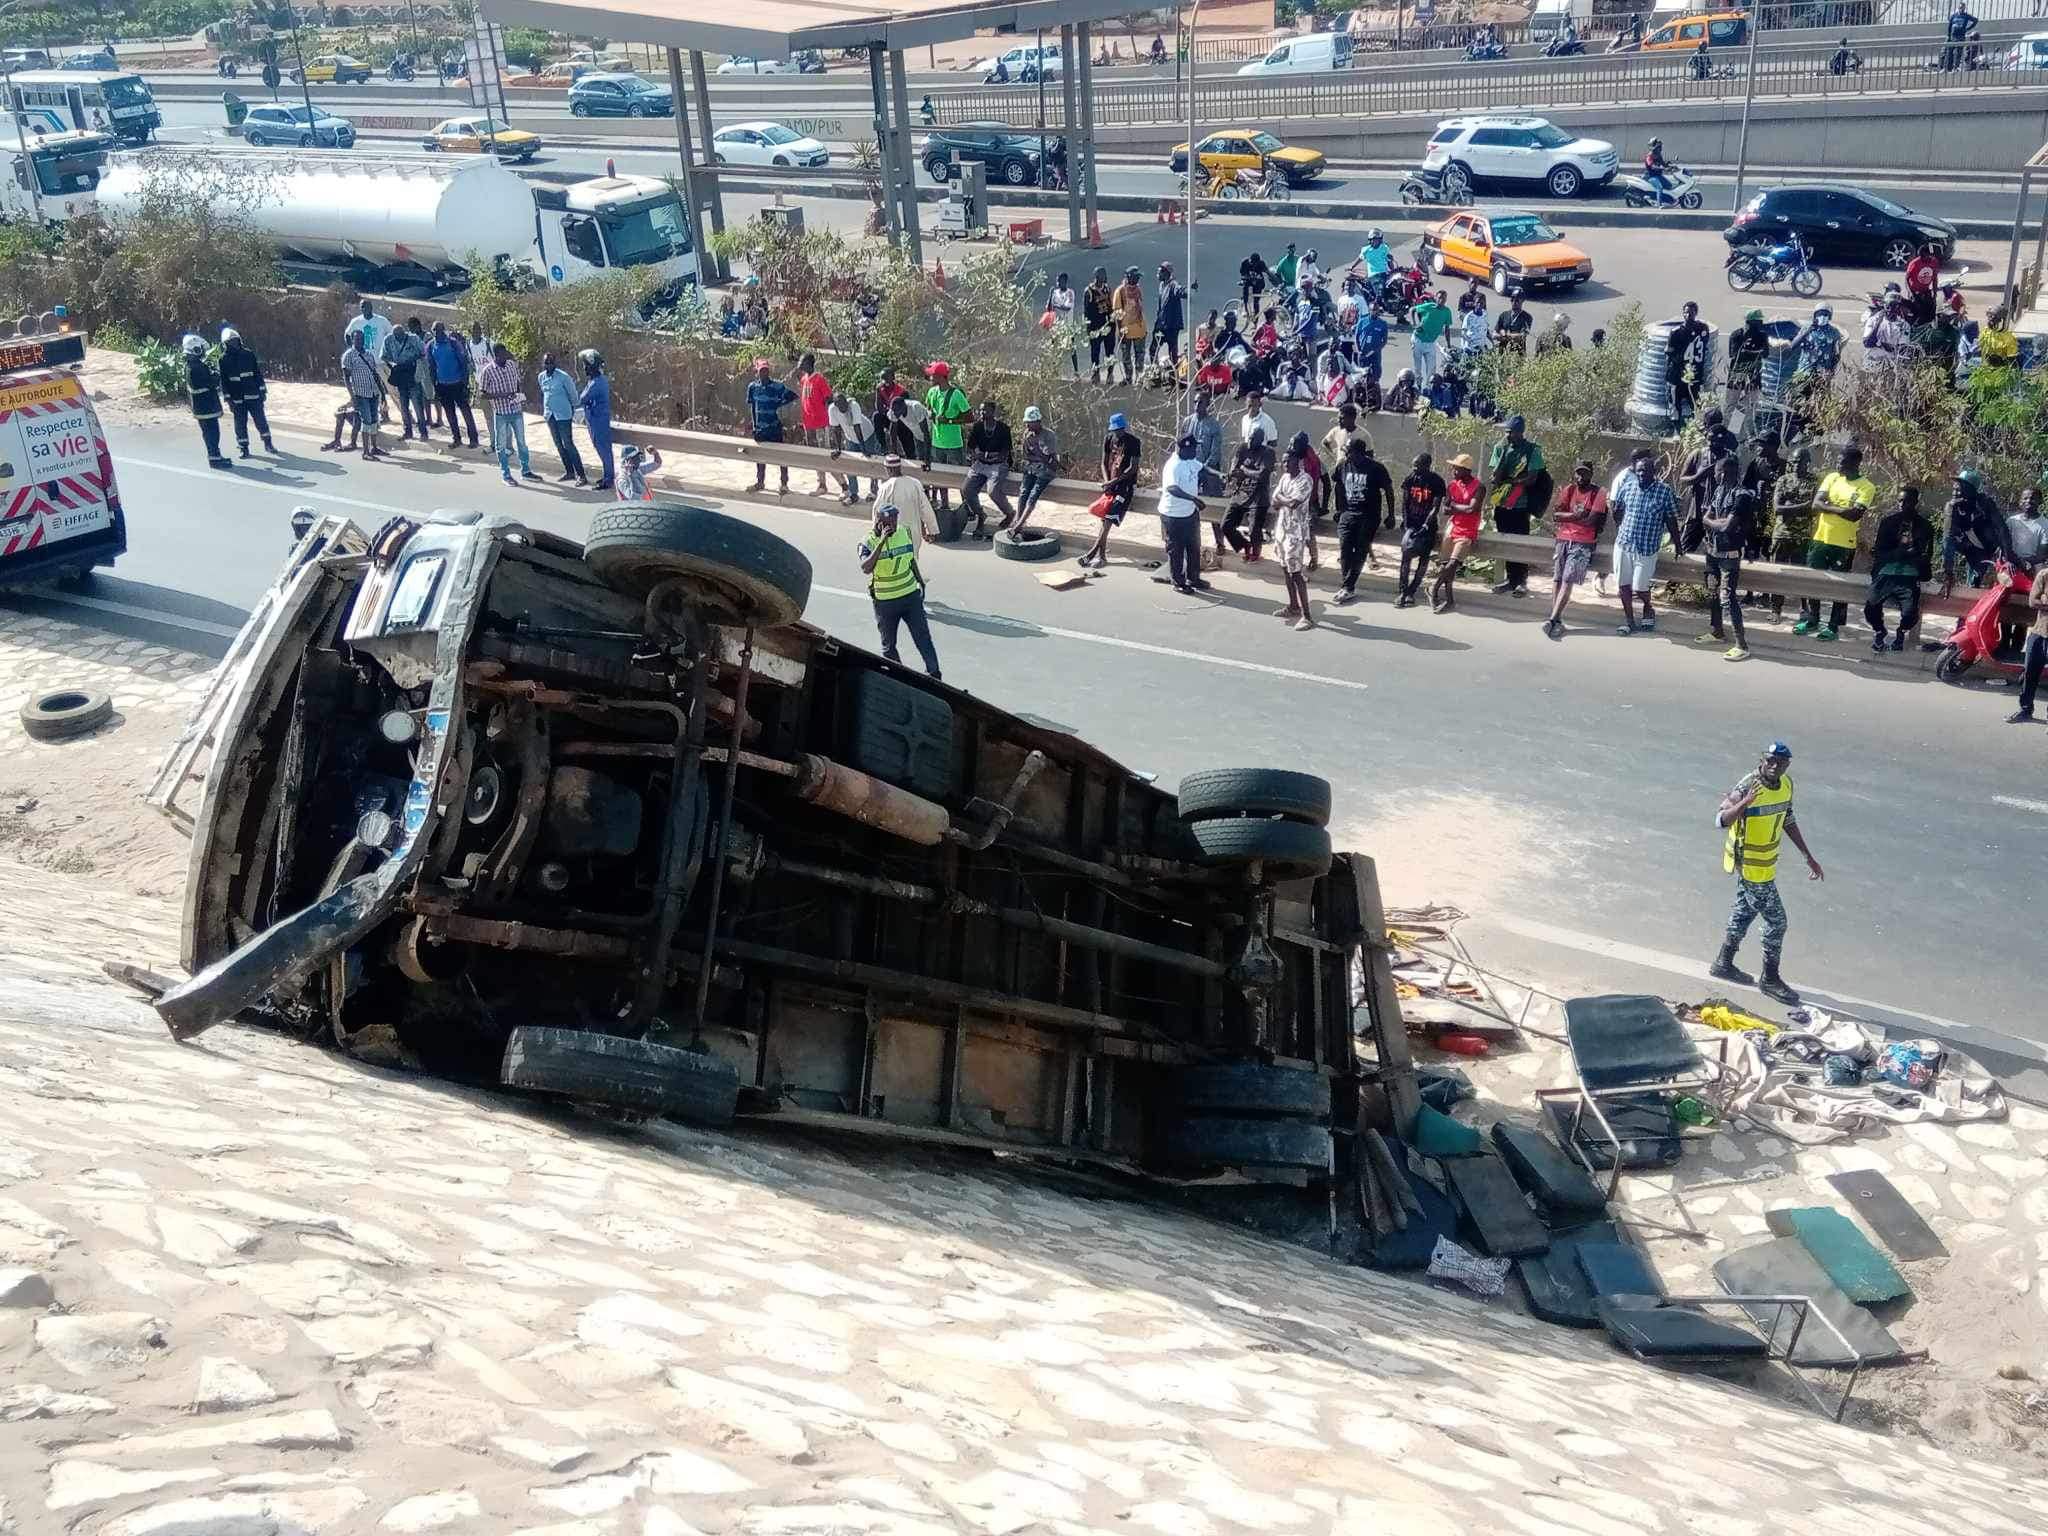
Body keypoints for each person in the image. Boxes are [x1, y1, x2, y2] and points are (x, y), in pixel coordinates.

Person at [1711, 742, 1823, 1006]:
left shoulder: (1786, 785)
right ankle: (1770, 979)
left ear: (1787, 765)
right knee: (1777, 922)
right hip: (1751, 868)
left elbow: (1787, 819)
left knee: (1744, 912)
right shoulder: (1747, 786)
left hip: (1766, 865)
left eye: (1780, 763)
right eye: (1769, 760)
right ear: (1762, 760)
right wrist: (1745, 803)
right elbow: (1720, 820)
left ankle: (1723, 963)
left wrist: (1808, 856)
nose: (1774, 766)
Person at [1795, 444, 1875, 640]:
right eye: (1837, 461)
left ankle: (1833, 626)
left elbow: (1854, 515)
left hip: (1844, 544)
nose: (1838, 465)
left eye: (1842, 462)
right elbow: (1816, 504)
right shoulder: (1832, 478)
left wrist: (1828, 506)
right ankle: (1812, 619)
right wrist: (1841, 509)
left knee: (1840, 586)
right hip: (1821, 539)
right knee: (1813, 581)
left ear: (1855, 463)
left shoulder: (1866, 487)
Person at [860, 502, 941, 680]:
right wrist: (882, 541)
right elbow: (866, 567)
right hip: (885, 603)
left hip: (910, 597)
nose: (894, 526)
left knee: (923, 638)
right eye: (889, 523)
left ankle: (935, 675)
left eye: (895, 521)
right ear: (879, 522)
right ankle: (901, 678)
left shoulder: (904, 532)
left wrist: (920, 581)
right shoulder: (868, 542)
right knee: (888, 647)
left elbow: (910, 560)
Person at [1611, 452, 1681, 635]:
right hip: (1624, 544)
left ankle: (1648, 608)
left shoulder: (1664, 491)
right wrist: (1618, 519)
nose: (1641, 474)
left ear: (1653, 472)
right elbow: (1618, 512)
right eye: (1639, 471)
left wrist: (1678, 544)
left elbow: (1671, 519)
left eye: (1645, 471)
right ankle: (1629, 621)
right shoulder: (1628, 486)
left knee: (1639, 587)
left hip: (1647, 548)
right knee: (1623, 585)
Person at [1696, 455, 1757, 661]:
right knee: (1713, 591)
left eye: (1716, 473)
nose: (1714, 476)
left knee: (1727, 598)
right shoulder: (1719, 491)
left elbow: (1727, 526)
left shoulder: (1742, 495)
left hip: (1729, 554)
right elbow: (1706, 518)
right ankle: (1717, 632)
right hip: (1712, 551)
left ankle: (1741, 645)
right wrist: (1717, 522)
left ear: (1723, 473)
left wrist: (1713, 522)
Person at [1864, 486, 1935, 654]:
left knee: (1910, 613)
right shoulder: (1888, 522)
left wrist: (1912, 556)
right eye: (1900, 501)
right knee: (1871, 606)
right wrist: (1898, 553)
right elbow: (1879, 551)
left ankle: (1901, 632)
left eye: (1907, 501)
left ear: (1915, 502)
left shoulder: (1925, 526)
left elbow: (1926, 554)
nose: (1902, 505)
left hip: (1909, 576)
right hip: (1886, 573)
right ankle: (1880, 631)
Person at [1483, 414, 1546, 597]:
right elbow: (1496, 478)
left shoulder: (1532, 450)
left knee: (1520, 542)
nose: (1507, 435)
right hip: (1502, 502)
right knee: (1505, 542)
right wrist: (1503, 454)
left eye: (1510, 432)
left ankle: (1521, 581)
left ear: (1520, 432)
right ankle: (1511, 580)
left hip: (1521, 503)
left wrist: (1511, 481)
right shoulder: (1500, 447)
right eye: (1506, 431)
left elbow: (1532, 478)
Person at [1543, 460, 1607, 639]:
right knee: (1557, 579)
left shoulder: (1599, 493)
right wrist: (1577, 515)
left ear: (1591, 474)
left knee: (1567, 579)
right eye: (1578, 473)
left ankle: (1552, 618)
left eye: (1584, 473)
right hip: (1563, 539)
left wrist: (1568, 517)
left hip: (1583, 542)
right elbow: (1556, 515)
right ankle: (1556, 619)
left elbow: (1592, 521)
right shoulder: (1569, 490)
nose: (1580, 477)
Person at [1332, 438, 1393, 607]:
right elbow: (1338, 486)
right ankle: (1347, 586)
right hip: (1347, 514)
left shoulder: (1376, 468)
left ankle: (1348, 587)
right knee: (1345, 549)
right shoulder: (1343, 465)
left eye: (1348, 451)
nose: (1346, 454)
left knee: (1360, 551)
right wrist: (1339, 509)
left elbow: (1388, 490)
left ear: (1358, 452)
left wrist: (1391, 515)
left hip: (1368, 516)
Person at [1081, 412, 1141, 569]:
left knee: (1109, 519)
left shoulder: (1134, 442)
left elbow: (1133, 468)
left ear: (1124, 428)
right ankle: (1101, 557)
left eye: (1119, 430)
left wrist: (1114, 481)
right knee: (1104, 519)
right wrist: (1107, 480)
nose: (1117, 433)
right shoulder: (1108, 439)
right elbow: (1103, 462)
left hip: (1125, 485)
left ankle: (1093, 552)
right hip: (1110, 484)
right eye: (1115, 430)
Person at [1765, 446, 1817, 620]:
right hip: (1782, 534)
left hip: (1802, 536)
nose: (1795, 465)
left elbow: (1814, 509)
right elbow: (1777, 509)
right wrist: (1802, 506)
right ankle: (1775, 610)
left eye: (1799, 462)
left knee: (1801, 574)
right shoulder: (1783, 480)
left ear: (1807, 462)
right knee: (1777, 574)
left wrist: (1789, 505)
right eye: (1792, 462)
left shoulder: (1814, 481)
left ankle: (1803, 609)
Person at [1271, 446, 1319, 631]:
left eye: (1288, 461)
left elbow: (1293, 503)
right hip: (1282, 530)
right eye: (1283, 461)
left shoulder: (1305, 480)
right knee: (1286, 570)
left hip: (1295, 533)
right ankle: (1293, 606)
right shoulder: (1284, 478)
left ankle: (1307, 616)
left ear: (1297, 461)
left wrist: (1281, 498)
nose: (1285, 464)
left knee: (1296, 573)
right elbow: (1274, 502)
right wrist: (1283, 499)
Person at [1429, 453, 1485, 614]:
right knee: (1446, 565)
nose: (1453, 471)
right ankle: (1450, 600)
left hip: (1467, 531)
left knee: (1453, 564)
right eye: (1453, 468)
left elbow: (1472, 509)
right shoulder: (1452, 485)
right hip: (1452, 528)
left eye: (1457, 468)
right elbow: (1446, 509)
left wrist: (1454, 505)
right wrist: (1459, 507)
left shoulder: (1479, 487)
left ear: (1467, 470)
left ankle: (1433, 588)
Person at [479, 344, 539, 485]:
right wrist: (502, 395)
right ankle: (506, 475)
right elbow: (482, 394)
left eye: (505, 353)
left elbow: (517, 382)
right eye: (502, 354)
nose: (505, 356)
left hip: (516, 410)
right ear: (496, 355)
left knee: (521, 443)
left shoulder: (511, 365)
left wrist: (518, 395)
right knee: (501, 446)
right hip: (501, 413)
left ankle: (526, 471)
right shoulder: (488, 371)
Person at [1157, 433, 1208, 595]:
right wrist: (1193, 499)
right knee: (1176, 549)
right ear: (1182, 449)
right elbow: (1172, 488)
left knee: (1194, 546)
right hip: (1173, 515)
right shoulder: (1173, 465)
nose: (1195, 451)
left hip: (1190, 512)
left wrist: (1221, 475)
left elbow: (1203, 468)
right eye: (1193, 448)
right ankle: (1178, 581)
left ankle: (1193, 578)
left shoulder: (1190, 460)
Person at [959, 399, 1017, 536]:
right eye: (981, 410)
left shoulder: (1003, 428)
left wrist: (991, 458)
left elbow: (1005, 453)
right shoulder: (978, 427)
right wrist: (980, 456)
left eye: (985, 410)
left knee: (993, 491)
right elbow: (971, 448)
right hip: (981, 463)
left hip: (998, 464)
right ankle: (981, 515)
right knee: (966, 490)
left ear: (993, 412)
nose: (982, 412)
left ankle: (1009, 513)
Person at [1395, 452, 1445, 609]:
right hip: (1411, 525)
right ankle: (1402, 592)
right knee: (1406, 557)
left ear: (1427, 466)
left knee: (1423, 560)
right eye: (1413, 465)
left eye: (1418, 465)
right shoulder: (1410, 479)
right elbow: (1405, 503)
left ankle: (1412, 591)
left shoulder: (1437, 481)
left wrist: (1425, 526)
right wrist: (1406, 523)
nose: (1414, 468)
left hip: (1428, 526)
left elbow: (1435, 508)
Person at [216, 327, 274, 459]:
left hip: (253, 395)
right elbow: (223, 381)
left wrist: (262, 391)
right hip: (237, 398)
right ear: (225, 344)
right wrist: (228, 399)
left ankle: (268, 443)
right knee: (240, 424)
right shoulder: (223, 359)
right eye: (230, 342)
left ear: (239, 340)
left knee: (261, 421)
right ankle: (243, 448)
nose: (233, 344)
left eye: (235, 341)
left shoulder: (248, 354)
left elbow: (257, 373)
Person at [1219, 427, 1274, 562]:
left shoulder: (1268, 453)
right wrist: (1231, 475)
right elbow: (1235, 467)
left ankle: (1255, 552)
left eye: (1254, 439)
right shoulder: (1242, 448)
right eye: (1249, 437)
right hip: (1241, 492)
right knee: (1225, 525)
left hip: (1258, 495)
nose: (1250, 441)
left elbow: (1262, 475)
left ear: (1260, 440)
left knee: (1254, 528)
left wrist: (1244, 470)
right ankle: (1244, 545)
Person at [924, 360, 972, 516]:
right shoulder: (932, 392)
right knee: (940, 477)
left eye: (933, 375)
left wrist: (950, 420)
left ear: (940, 376)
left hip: (953, 444)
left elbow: (969, 417)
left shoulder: (956, 394)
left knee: (960, 477)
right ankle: (944, 504)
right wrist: (930, 413)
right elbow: (928, 408)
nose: (930, 378)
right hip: (937, 443)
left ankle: (967, 507)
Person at [2009, 537, 2048, 723]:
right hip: (2039, 632)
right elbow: (2033, 601)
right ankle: (2025, 710)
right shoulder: (2044, 575)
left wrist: (2045, 601)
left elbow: (2040, 601)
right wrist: (2042, 601)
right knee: (2029, 673)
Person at [745, 357, 797, 495]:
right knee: (760, 457)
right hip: (760, 429)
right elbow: (752, 407)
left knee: (781, 456)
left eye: (766, 370)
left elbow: (792, 396)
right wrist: (754, 425)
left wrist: (779, 405)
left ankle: (784, 484)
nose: (764, 373)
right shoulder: (753, 387)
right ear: (757, 372)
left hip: (774, 427)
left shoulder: (777, 386)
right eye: (761, 370)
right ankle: (760, 482)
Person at [536, 351, 588, 486]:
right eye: (546, 363)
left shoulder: (564, 377)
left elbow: (573, 395)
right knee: (558, 444)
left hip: (563, 415)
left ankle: (581, 475)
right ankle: (569, 471)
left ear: (555, 363)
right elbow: (544, 393)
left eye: (551, 363)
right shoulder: (541, 377)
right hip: (550, 415)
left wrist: (575, 408)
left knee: (568, 444)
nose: (548, 365)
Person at [181, 334, 231, 470]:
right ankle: (214, 459)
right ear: (195, 349)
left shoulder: (192, 365)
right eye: (201, 349)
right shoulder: (196, 367)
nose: (203, 351)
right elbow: (207, 383)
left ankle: (216, 456)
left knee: (211, 433)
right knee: (212, 434)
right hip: (205, 407)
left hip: (202, 407)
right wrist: (215, 377)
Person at [338, 328, 386, 464]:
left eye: (362, 338)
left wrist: (382, 393)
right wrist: (352, 396)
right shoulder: (348, 356)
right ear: (352, 340)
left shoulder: (369, 354)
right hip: (361, 393)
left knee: (374, 420)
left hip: (373, 392)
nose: (360, 341)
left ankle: (374, 447)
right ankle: (366, 451)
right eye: (357, 339)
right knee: (366, 421)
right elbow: (346, 378)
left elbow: (375, 374)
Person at [429, 322, 479, 449]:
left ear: (444, 330)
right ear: (432, 331)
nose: (437, 333)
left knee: (466, 412)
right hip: (442, 385)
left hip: (457, 383)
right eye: (435, 330)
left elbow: (464, 364)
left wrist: (465, 383)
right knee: (450, 414)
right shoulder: (431, 345)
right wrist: (434, 385)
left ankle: (473, 439)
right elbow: (432, 366)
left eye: (440, 330)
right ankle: (456, 439)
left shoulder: (453, 343)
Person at [376, 318, 426, 442]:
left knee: (418, 405)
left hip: (412, 373)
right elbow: (383, 356)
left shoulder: (413, 339)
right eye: (396, 336)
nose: (399, 338)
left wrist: (413, 360)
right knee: (403, 405)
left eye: (401, 335)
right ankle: (407, 431)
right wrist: (392, 366)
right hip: (400, 374)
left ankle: (423, 432)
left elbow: (423, 352)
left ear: (404, 333)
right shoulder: (388, 340)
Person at [826, 389, 879, 504]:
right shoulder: (832, 410)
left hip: (867, 435)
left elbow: (857, 427)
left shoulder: (854, 406)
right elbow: (836, 429)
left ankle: (874, 491)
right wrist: (838, 448)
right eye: (840, 405)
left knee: (871, 463)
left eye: (844, 403)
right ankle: (853, 493)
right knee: (850, 465)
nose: (844, 407)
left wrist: (863, 448)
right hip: (851, 438)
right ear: (836, 405)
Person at [1014, 406, 1059, 533]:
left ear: (1038, 422)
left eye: (1030, 423)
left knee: (1033, 494)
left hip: (1047, 469)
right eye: (1026, 423)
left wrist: (1036, 449)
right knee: (1023, 491)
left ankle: (1019, 525)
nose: (1027, 425)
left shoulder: (1048, 435)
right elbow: (1026, 456)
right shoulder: (1027, 434)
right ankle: (1018, 519)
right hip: (1032, 467)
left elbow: (1048, 458)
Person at [796, 353, 834, 496]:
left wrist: (819, 410)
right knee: (814, 454)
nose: (800, 364)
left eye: (802, 361)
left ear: (809, 363)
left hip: (819, 424)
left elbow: (829, 397)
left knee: (824, 454)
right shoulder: (804, 379)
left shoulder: (819, 379)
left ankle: (842, 484)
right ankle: (821, 483)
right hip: (808, 424)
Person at [1667, 300, 1709, 424]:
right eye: (1686, 312)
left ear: (1696, 313)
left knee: (1697, 406)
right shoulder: (1676, 332)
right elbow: (1669, 353)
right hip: (1678, 375)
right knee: (1675, 406)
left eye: (1691, 312)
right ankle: (1676, 429)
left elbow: (1704, 347)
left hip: (1695, 375)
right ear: (1683, 313)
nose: (1688, 315)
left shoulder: (1702, 328)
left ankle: (1697, 428)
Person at [578, 350, 615, 490]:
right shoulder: (595, 381)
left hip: (599, 422)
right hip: (595, 421)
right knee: (602, 450)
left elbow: (582, 398)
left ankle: (608, 479)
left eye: (586, 365)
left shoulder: (596, 383)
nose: (584, 368)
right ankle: (607, 476)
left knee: (604, 450)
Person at [1179, 388, 1224, 495]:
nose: (1197, 405)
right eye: (1195, 402)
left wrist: (1203, 467)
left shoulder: (1214, 425)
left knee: (1211, 499)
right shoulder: (1187, 422)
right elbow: (1181, 445)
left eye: (1200, 402)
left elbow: (1215, 452)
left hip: (1208, 467)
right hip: (1189, 467)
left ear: (1207, 405)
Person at [1725, 310, 1769, 415]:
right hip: (1737, 373)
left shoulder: (1762, 336)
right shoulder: (1737, 335)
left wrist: (1751, 351)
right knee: (1731, 404)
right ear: (1749, 322)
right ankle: (1728, 423)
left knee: (1752, 405)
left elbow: (1766, 353)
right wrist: (1751, 349)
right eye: (1758, 322)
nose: (1761, 324)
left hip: (1754, 374)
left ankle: (1747, 423)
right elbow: (1734, 354)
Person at [1112, 266, 1147, 386]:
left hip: (1139, 329)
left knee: (1140, 355)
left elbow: (1140, 308)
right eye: (1136, 277)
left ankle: (1139, 378)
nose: (1138, 279)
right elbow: (1117, 313)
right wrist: (1120, 329)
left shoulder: (1138, 290)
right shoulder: (1120, 291)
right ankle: (1128, 378)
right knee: (1126, 356)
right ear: (1128, 277)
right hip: (1126, 330)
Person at [1410, 289, 1451, 391]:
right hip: (1418, 340)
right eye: (1439, 298)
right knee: (1418, 367)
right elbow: (1413, 310)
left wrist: (1449, 344)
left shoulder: (1447, 312)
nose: (1441, 300)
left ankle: (1429, 388)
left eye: (1444, 298)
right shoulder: (1429, 306)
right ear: (1436, 298)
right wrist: (1414, 324)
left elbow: (1447, 329)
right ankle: (1418, 386)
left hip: (1431, 342)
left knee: (1432, 368)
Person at [1082, 266, 1114, 384]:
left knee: (1110, 351)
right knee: (1095, 351)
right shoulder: (1089, 291)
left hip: (1107, 324)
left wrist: (1112, 323)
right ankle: (1095, 373)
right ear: (1097, 276)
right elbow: (1086, 311)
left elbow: (1110, 307)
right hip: (1095, 326)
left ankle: (1110, 374)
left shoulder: (1107, 289)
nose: (1105, 277)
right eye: (1103, 275)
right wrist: (1088, 328)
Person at [1153, 261, 1186, 370]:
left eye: (1159, 273)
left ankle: (1173, 374)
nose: (1157, 275)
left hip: (1171, 326)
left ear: (1166, 273)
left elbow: (1180, 291)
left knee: (1172, 351)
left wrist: (1188, 291)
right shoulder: (1161, 285)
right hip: (1161, 324)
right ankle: (1155, 371)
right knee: (1153, 349)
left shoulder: (1173, 285)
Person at [344, 298, 393, 364]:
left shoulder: (382, 320)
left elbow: (392, 334)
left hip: (380, 361)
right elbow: (347, 335)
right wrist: (353, 349)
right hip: (363, 362)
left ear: (371, 307)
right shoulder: (356, 321)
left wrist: (388, 350)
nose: (364, 309)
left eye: (366, 306)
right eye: (362, 307)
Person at [1047, 273, 1079, 375]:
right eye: (1057, 281)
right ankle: (1054, 370)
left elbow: (1067, 307)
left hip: (1067, 326)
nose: (1057, 283)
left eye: (1059, 281)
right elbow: (1049, 308)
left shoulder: (1070, 293)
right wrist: (1050, 295)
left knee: (1072, 349)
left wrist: (1055, 305)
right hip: (1056, 326)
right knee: (1054, 348)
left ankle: (1076, 371)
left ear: (1065, 281)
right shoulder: (1055, 292)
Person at [1905, 243, 1941, 326]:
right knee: (1917, 313)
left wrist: (1935, 293)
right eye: (1921, 256)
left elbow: (1935, 278)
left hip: (1926, 291)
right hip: (1915, 292)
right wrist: (1911, 293)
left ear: (1929, 255)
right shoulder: (1914, 263)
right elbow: (1906, 279)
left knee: (1931, 312)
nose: (1922, 258)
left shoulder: (1934, 262)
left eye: (1924, 256)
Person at [1641, 136, 1672, 201]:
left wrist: (1669, 165)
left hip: (1658, 175)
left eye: (1660, 147)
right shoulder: (1649, 156)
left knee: (1669, 185)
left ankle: (1666, 200)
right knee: (1659, 187)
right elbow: (1652, 166)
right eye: (1659, 147)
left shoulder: (1659, 155)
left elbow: (1663, 164)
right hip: (1650, 176)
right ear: (1654, 148)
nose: (1660, 148)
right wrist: (1663, 168)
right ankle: (1659, 203)